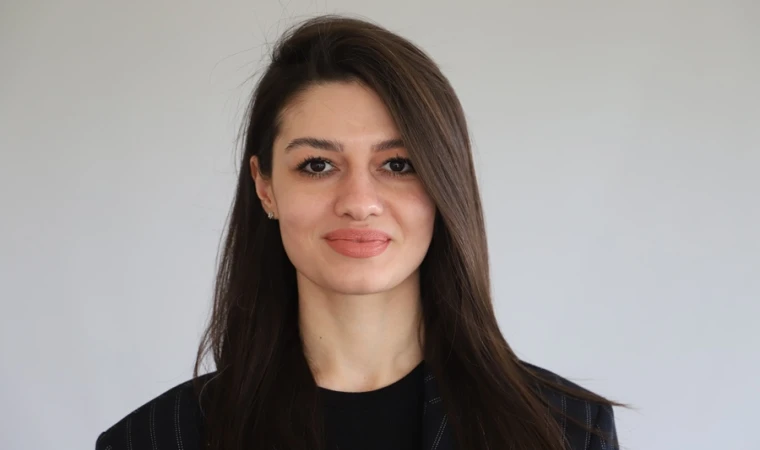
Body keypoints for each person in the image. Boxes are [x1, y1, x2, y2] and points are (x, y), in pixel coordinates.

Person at [95, 14, 620, 450]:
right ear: (265, 187)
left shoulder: (567, 430)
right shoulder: (150, 441)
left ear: (446, 183)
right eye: (317, 165)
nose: (359, 203)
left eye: (398, 164)